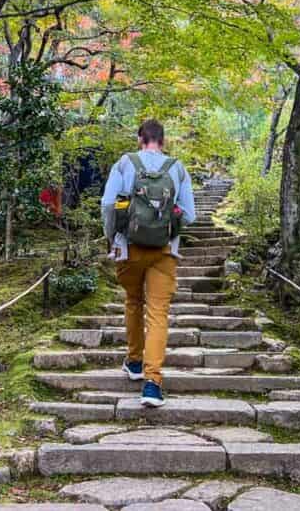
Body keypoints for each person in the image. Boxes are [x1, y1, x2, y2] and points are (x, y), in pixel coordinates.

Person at [101, 119, 195, 407]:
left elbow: (107, 203)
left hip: (129, 248)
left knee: (133, 301)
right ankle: (153, 384)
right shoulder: (177, 168)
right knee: (158, 313)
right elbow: (189, 214)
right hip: (164, 252)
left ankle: (134, 362)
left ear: (140, 138)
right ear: (162, 141)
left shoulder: (125, 163)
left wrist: (112, 237)